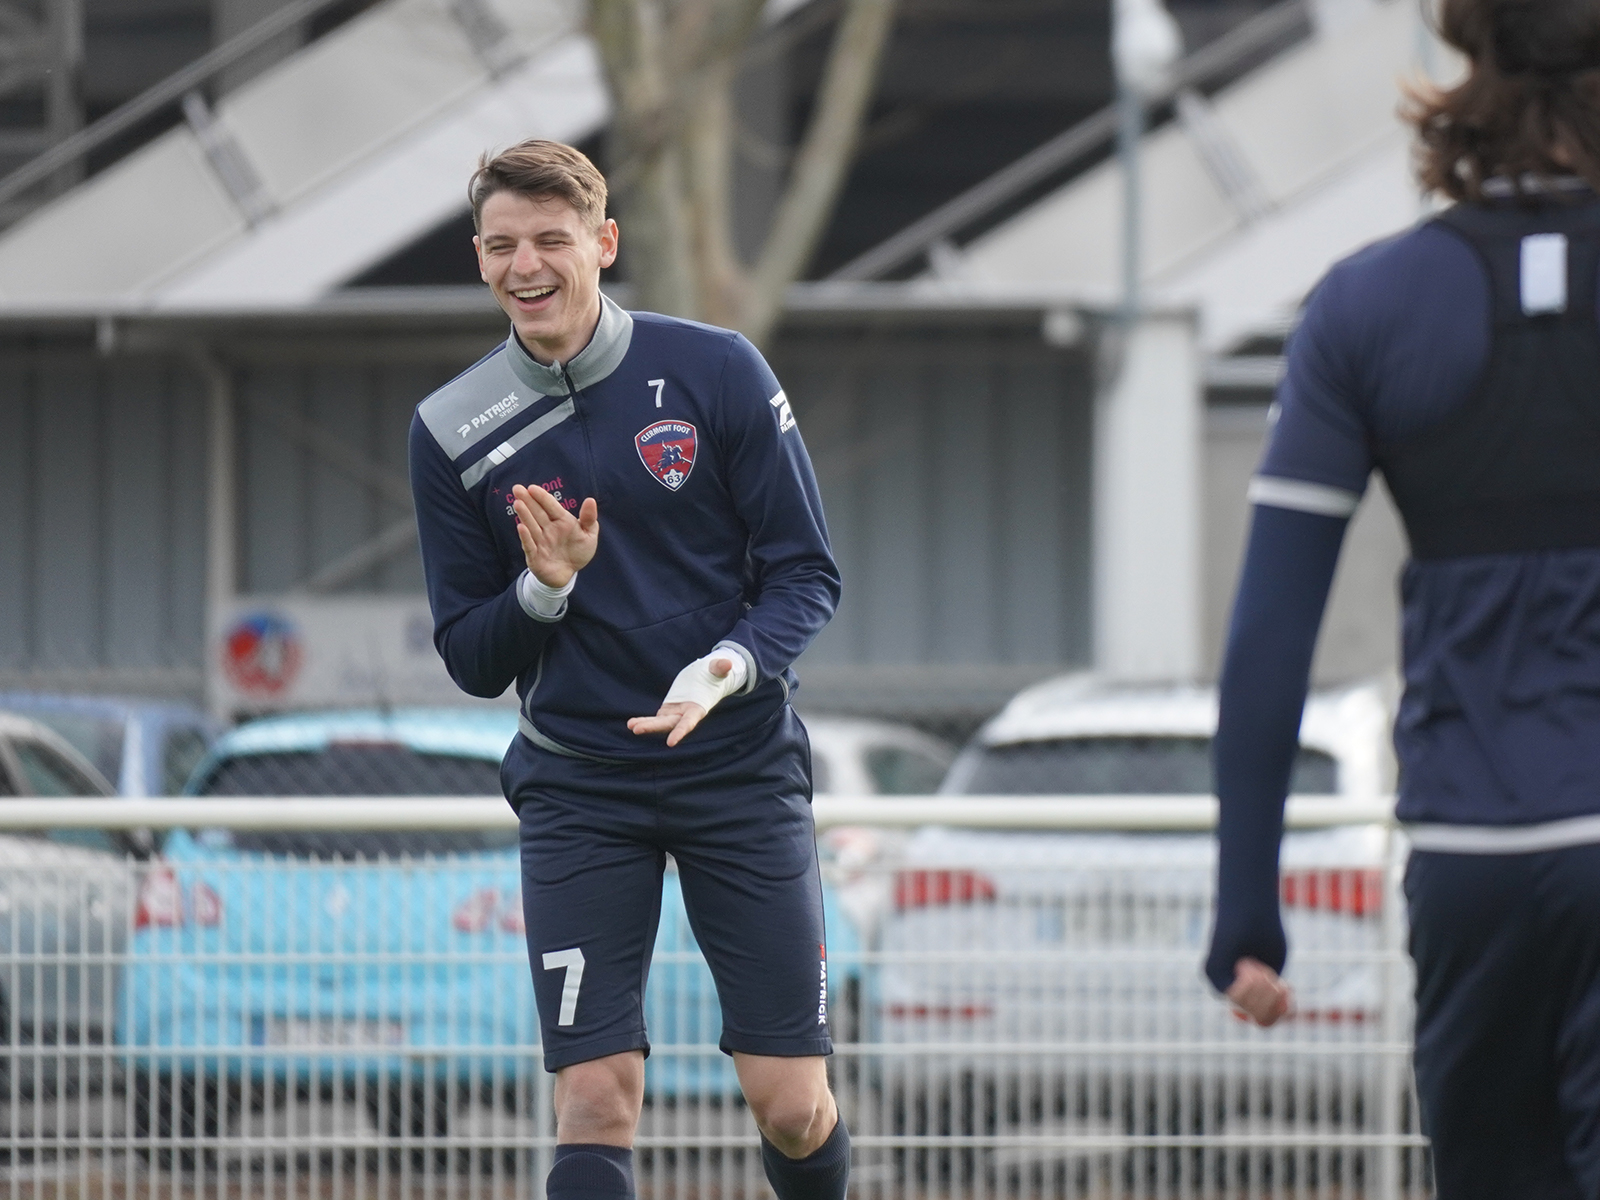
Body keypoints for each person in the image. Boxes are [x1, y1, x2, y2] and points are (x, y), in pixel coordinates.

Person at [1204, 0, 1600, 1192]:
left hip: (1469, 853)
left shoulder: (1362, 307)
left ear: (1465, 60)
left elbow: (1269, 638)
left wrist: (1245, 911)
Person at [407, 139, 847, 1200]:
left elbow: (805, 573)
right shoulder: (449, 431)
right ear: (479, 260)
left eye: (551, 240)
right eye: (503, 245)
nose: (527, 265)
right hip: (578, 788)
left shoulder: (717, 370)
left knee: (789, 1106)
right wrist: (542, 590)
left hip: (738, 772)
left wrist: (728, 668)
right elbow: (471, 656)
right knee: (595, 1098)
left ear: (601, 245)